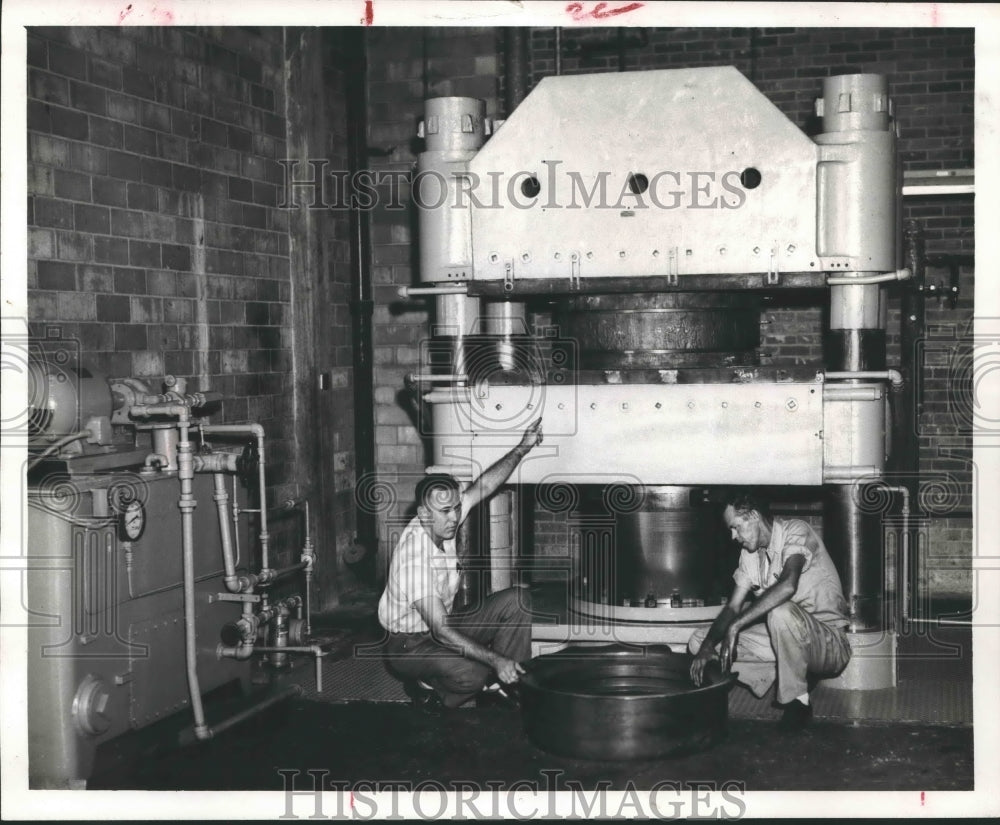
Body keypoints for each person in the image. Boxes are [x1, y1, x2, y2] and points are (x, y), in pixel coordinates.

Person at [378, 419, 542, 713]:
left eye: (456, 507)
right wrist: (494, 659)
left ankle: (510, 685)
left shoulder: (444, 517)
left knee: (517, 600)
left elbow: (486, 485)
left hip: (444, 623)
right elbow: (441, 632)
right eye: (445, 511)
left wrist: (523, 448)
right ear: (424, 515)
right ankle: (431, 693)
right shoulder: (415, 559)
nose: (454, 518)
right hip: (409, 645)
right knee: (474, 674)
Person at [688, 489, 852, 730]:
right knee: (698, 641)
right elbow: (733, 607)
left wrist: (736, 626)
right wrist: (707, 648)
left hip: (828, 643)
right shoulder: (749, 554)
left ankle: (798, 701)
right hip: (782, 636)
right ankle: (785, 674)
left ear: (753, 515)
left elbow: (788, 586)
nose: (734, 536)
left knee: (780, 611)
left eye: (736, 527)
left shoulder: (796, 531)